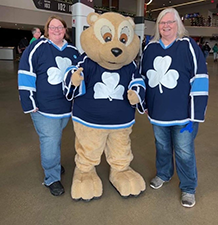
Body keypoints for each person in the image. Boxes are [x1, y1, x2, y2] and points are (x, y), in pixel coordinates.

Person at [140, 7, 209, 208]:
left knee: (184, 152)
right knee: (161, 147)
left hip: (184, 116)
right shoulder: (150, 48)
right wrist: (143, 103)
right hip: (158, 114)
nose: (166, 26)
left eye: (170, 22)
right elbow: (142, 78)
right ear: (158, 26)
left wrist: (195, 114)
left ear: (178, 24)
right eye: (162, 22)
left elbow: (200, 79)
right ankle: (164, 174)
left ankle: (188, 187)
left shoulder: (188, 46)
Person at [18, 15, 80, 196]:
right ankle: (51, 178)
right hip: (43, 108)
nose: (56, 30)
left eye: (60, 27)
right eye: (52, 27)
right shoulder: (36, 48)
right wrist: (29, 103)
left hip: (65, 108)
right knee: (50, 141)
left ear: (65, 30)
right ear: (47, 30)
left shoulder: (73, 51)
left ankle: (53, 163)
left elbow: (79, 77)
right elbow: (25, 74)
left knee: (55, 139)